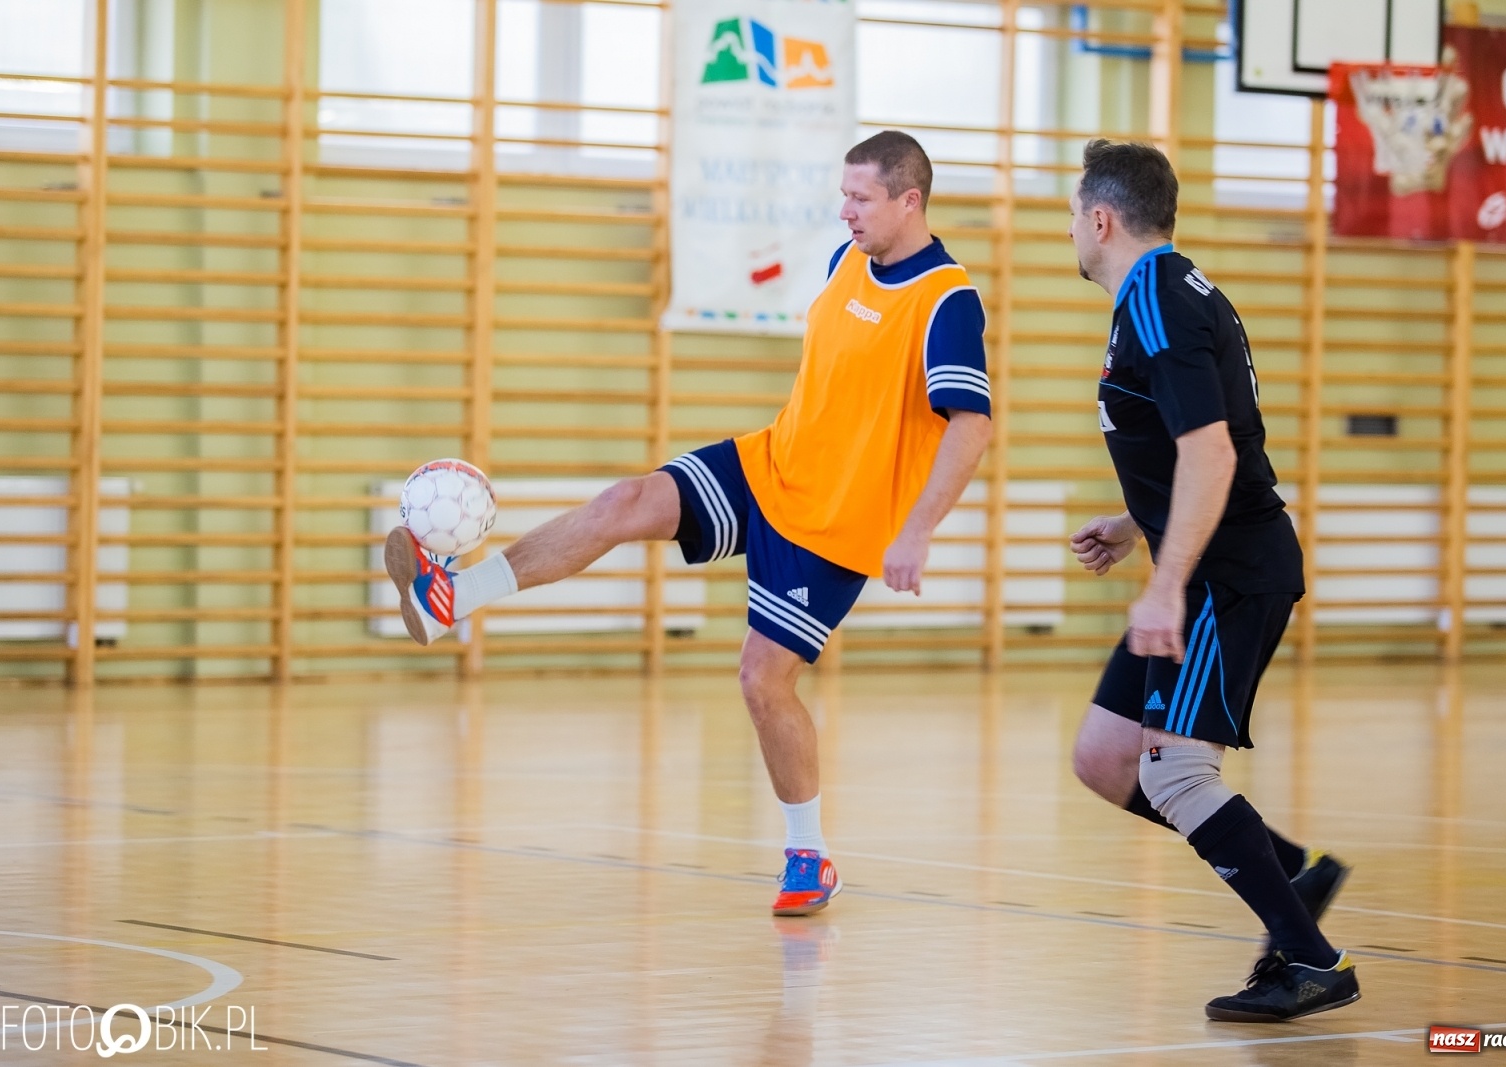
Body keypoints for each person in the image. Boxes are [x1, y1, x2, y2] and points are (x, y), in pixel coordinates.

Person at [383, 130, 993, 918]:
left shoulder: (947, 300)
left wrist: (916, 531)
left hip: (833, 526)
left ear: (910, 201)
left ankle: (808, 853)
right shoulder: (847, 262)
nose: (844, 210)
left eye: (861, 197)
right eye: (842, 193)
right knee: (623, 502)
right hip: (768, 465)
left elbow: (970, 425)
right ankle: (449, 600)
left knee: (762, 682)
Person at [1065, 138, 1359, 1022]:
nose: (1072, 231)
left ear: (1102, 218)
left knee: (1178, 773)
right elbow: (1204, 437)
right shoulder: (1172, 292)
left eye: (1075, 215)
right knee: (1108, 758)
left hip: (1223, 575)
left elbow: (1212, 448)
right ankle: (1293, 874)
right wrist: (1133, 527)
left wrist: (1167, 581)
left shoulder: (1153, 299)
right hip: (1202, 559)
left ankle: (1312, 961)